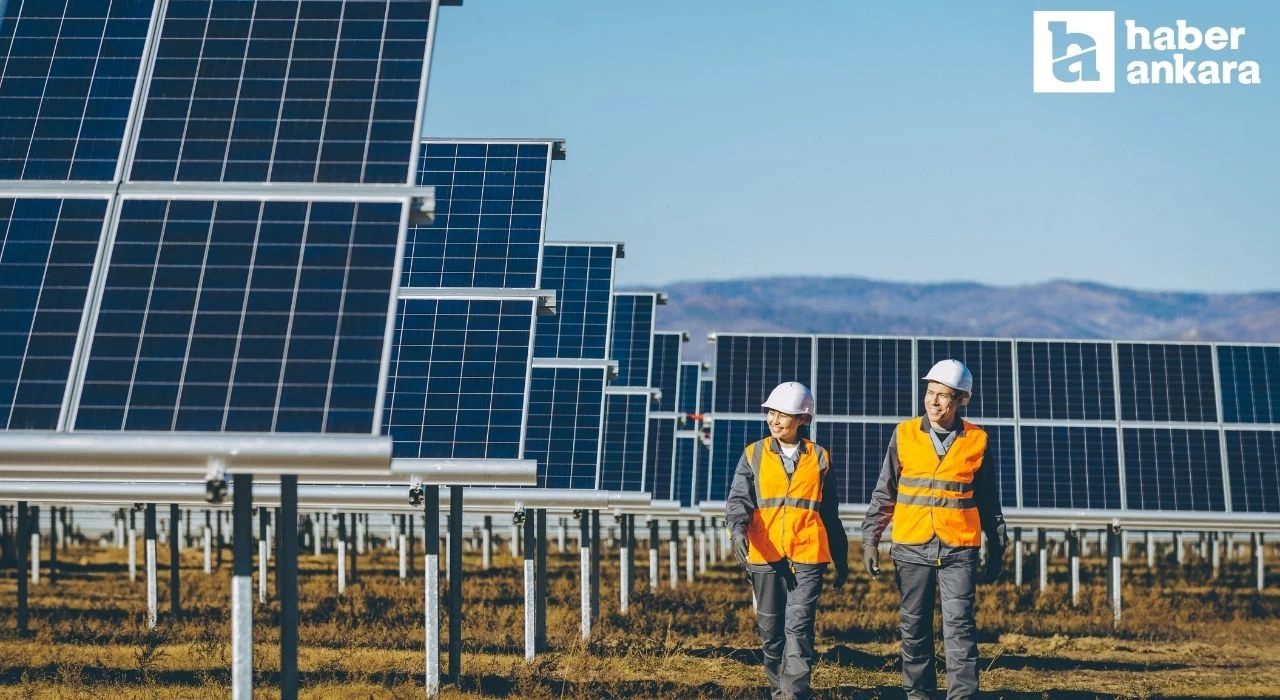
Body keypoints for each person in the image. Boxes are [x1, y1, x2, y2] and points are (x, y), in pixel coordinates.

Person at [861, 359, 1008, 700]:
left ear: (961, 400)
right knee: (914, 628)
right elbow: (885, 491)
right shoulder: (904, 434)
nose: (934, 402)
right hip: (911, 547)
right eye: (930, 393)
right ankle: (919, 695)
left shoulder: (977, 440)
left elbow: (988, 500)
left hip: (959, 548)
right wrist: (871, 539)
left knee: (959, 628)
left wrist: (997, 547)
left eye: (944, 396)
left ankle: (962, 696)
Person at [725, 381, 849, 700]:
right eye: (771, 413)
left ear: (802, 420)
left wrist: (842, 556)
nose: (774, 420)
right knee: (771, 634)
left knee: (798, 628)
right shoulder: (753, 454)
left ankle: (792, 694)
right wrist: (737, 531)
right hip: (765, 556)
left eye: (783, 414)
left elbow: (830, 513)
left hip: (808, 556)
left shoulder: (820, 458)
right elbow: (739, 500)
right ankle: (779, 690)